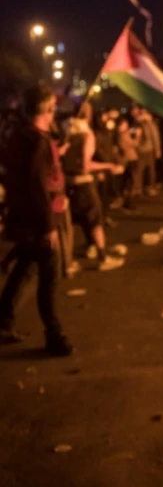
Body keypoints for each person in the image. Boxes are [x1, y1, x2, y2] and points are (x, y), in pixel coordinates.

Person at [0, 83, 73, 356]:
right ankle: (54, 335)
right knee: (48, 279)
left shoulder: (21, 136)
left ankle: (4, 320)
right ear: (47, 109)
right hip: (38, 221)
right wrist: (48, 226)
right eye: (53, 105)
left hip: (21, 217)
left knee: (24, 269)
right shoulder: (39, 142)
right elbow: (37, 185)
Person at [61, 106, 125, 272]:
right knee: (95, 219)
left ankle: (68, 261)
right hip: (83, 183)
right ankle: (103, 257)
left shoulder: (66, 134)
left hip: (68, 183)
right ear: (88, 117)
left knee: (77, 220)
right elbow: (85, 165)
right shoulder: (86, 136)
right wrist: (108, 166)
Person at [116, 117, 141, 212]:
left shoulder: (126, 133)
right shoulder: (122, 136)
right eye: (124, 125)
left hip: (132, 159)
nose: (126, 126)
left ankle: (128, 200)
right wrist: (138, 136)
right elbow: (134, 144)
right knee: (130, 182)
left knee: (130, 181)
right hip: (129, 160)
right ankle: (127, 201)